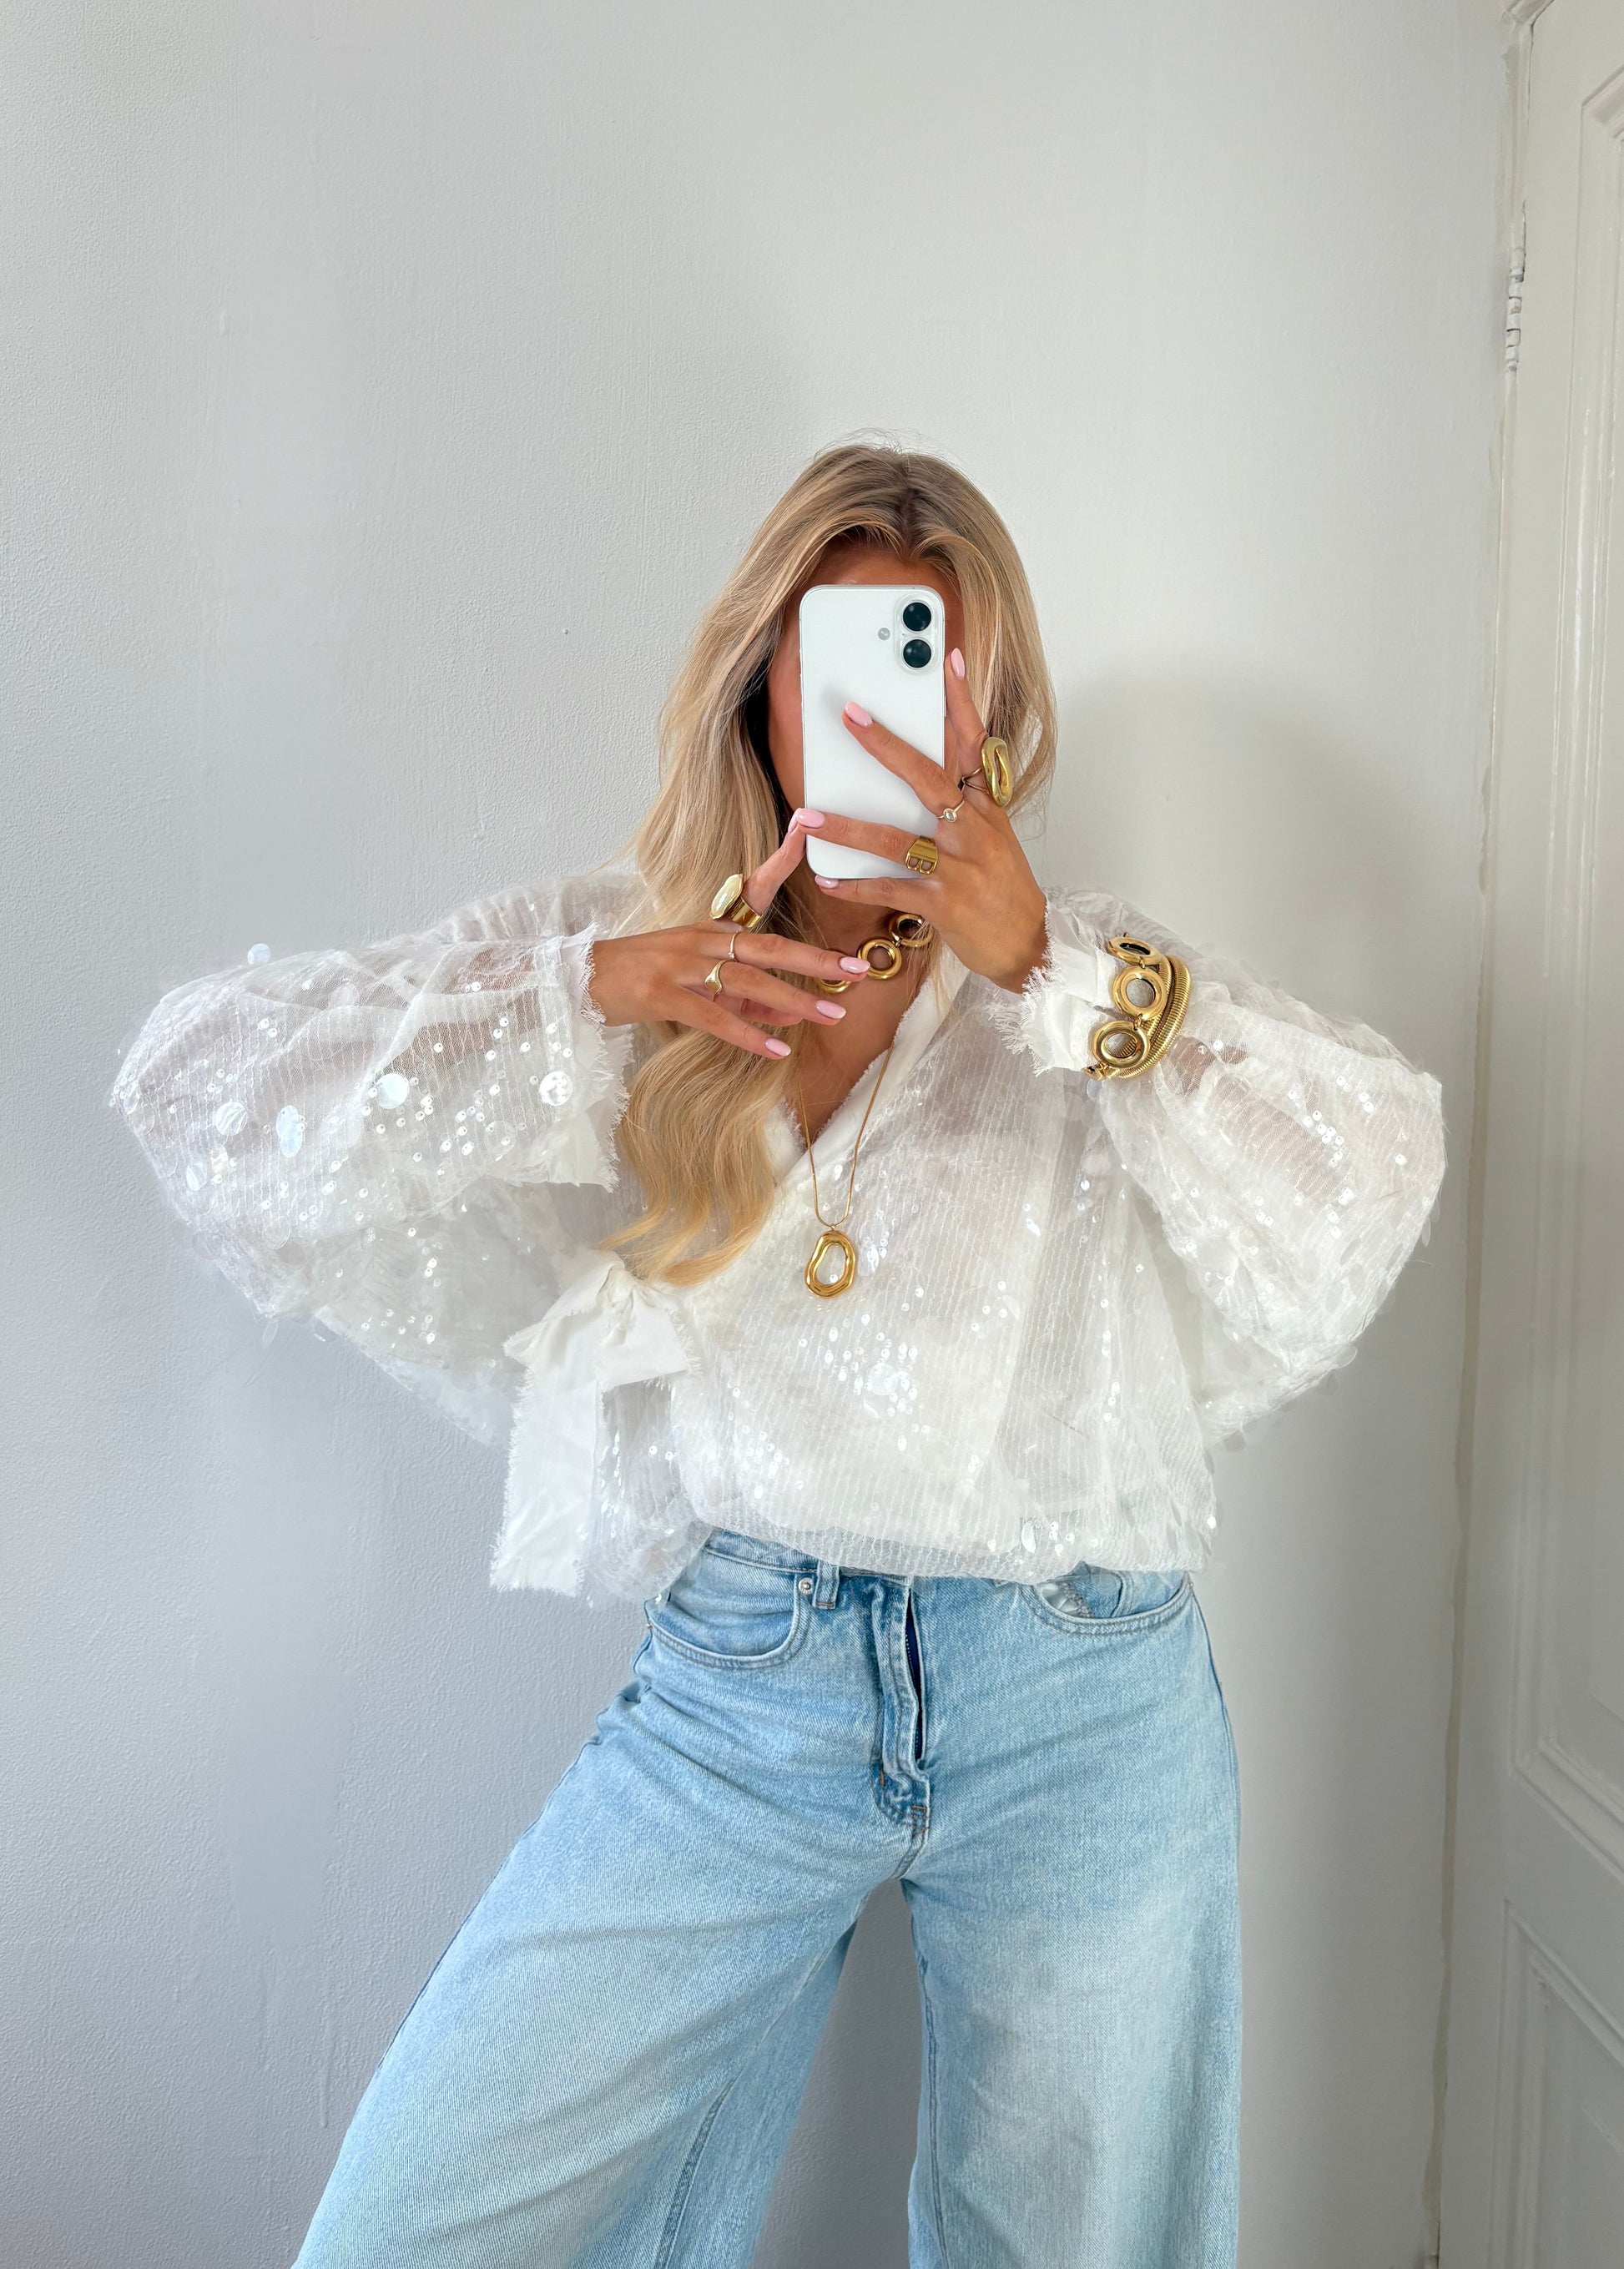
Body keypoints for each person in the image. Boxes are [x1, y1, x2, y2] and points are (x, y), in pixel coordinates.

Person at [111, 441, 1446, 2268]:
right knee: (419, 2216)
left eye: (936, 662)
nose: (893, 709)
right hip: (749, 1688)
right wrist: (592, 993)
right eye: (847, 659)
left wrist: (1049, 972)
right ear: (763, 686)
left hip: (1078, 1692)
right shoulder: (636, 951)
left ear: (990, 710)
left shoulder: (1086, 979)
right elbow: (199, 1086)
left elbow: (1368, 1175)